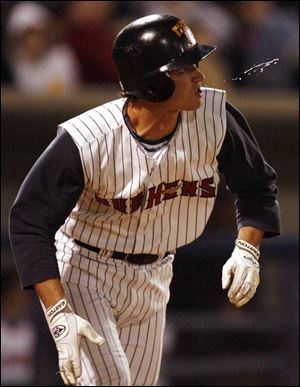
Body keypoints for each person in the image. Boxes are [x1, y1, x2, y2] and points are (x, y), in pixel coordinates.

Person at [9, 14, 281, 386]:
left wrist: (247, 249)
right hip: (87, 269)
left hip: (155, 274)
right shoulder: (88, 139)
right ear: (153, 84)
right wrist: (58, 312)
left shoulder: (215, 119)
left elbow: (257, 185)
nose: (200, 76)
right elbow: (29, 221)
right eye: (186, 68)